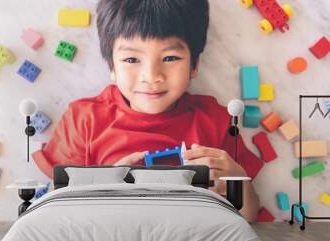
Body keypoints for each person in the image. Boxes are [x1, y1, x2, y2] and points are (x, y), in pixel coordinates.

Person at [32, 0, 263, 221]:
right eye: (132, 59)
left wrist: (237, 181)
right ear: (112, 66)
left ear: (195, 65)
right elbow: (54, 207)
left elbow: (249, 215)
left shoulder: (215, 120)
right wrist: (104, 184)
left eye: (170, 57)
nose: (152, 76)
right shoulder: (83, 119)